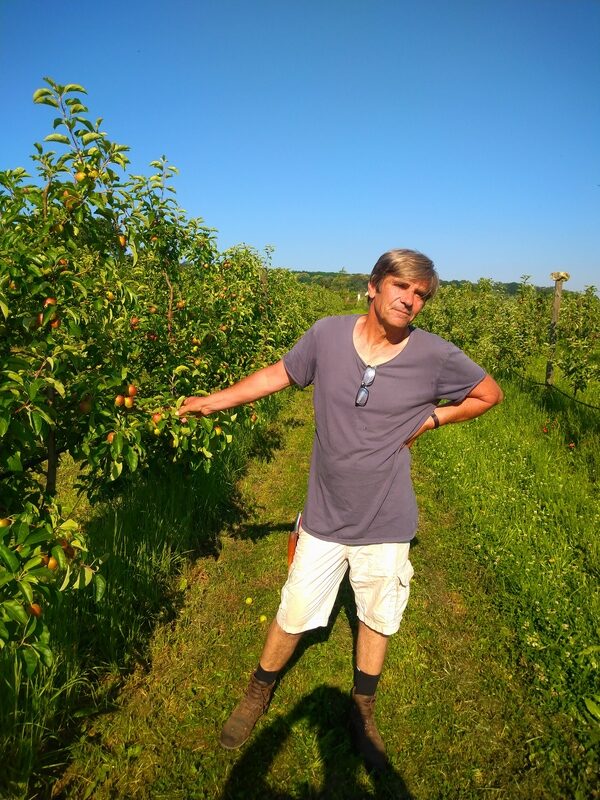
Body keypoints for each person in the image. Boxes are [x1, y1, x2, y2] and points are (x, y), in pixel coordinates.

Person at [178, 249, 503, 770]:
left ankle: (363, 706)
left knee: (377, 612)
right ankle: (259, 690)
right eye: (401, 286)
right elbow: (277, 375)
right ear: (373, 286)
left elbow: (489, 394)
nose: (410, 300)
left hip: (388, 517)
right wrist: (212, 401)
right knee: (297, 607)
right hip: (326, 512)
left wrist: (433, 420)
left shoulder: (435, 356)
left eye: (421, 294)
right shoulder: (326, 335)